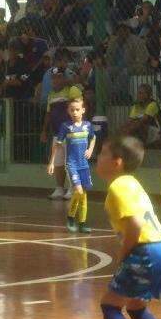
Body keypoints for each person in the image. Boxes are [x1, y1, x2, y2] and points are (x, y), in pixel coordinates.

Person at [97, 136, 161, 319]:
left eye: (102, 154)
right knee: (135, 306)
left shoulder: (119, 186)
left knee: (110, 305)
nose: (97, 158)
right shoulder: (132, 182)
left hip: (147, 250)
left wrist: (124, 254)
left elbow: (135, 223)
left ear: (117, 162)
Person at [48, 98, 95, 233]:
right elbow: (57, 145)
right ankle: (70, 218)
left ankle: (82, 223)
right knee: (79, 191)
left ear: (83, 110)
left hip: (84, 165)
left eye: (77, 109)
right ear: (68, 111)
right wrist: (51, 162)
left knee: (84, 194)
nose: (75, 112)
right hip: (72, 164)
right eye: (72, 110)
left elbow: (93, 138)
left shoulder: (87, 125)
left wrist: (90, 149)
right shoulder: (66, 126)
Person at [41, 68, 83, 200]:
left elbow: (79, 108)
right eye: (53, 78)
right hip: (57, 134)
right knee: (58, 163)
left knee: (71, 162)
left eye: (59, 77)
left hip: (71, 133)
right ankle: (59, 188)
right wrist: (44, 130)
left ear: (64, 78)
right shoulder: (51, 94)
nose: (55, 80)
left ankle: (72, 188)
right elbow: (48, 114)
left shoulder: (72, 91)